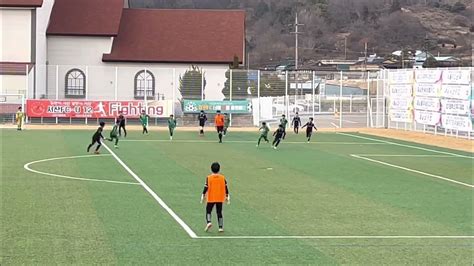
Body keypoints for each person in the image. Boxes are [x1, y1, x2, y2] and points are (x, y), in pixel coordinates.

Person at [200, 162, 230, 233]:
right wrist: (227, 195)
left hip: (211, 198)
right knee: (219, 212)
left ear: (211, 169)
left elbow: (206, 187)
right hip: (219, 197)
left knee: (208, 210)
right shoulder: (222, 178)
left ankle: (209, 222)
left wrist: (203, 194)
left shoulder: (209, 178)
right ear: (219, 169)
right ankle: (220, 227)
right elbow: (226, 187)